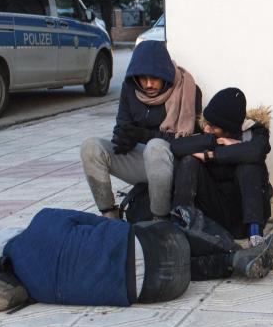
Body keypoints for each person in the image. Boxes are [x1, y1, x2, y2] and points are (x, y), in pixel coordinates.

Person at [81, 40, 201, 220]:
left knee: (155, 147)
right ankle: (109, 214)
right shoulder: (130, 88)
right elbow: (122, 124)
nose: (148, 84)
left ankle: (158, 219)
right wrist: (123, 138)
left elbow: (188, 142)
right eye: (143, 78)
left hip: (170, 162)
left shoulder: (187, 89)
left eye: (154, 78)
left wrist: (143, 136)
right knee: (90, 147)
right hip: (141, 162)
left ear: (165, 75)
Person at [171, 87, 273, 258]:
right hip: (215, 214)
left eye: (213, 127)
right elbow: (176, 146)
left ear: (229, 128)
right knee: (189, 161)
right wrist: (214, 141)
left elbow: (257, 151)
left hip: (244, 214)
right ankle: (181, 228)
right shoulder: (208, 130)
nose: (206, 128)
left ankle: (256, 237)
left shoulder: (254, 132)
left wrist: (212, 155)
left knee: (249, 164)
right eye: (207, 124)